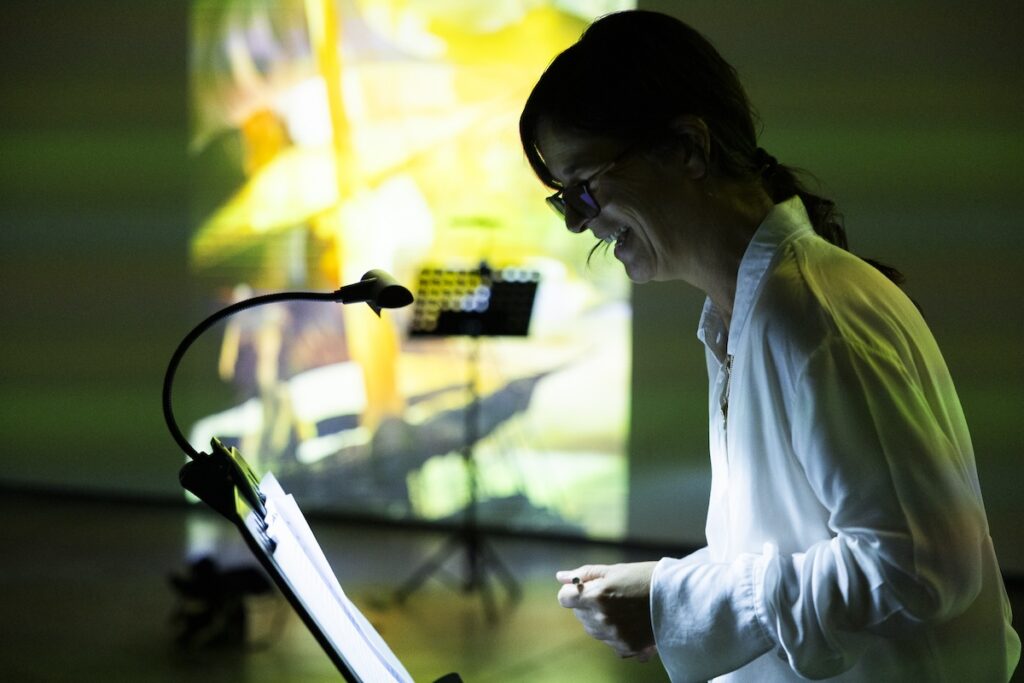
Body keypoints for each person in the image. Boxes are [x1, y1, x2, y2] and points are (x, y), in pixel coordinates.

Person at [519, 10, 1020, 682]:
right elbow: (795, 546)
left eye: (585, 188)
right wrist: (662, 592)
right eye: (565, 202)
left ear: (688, 147)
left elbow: (920, 567)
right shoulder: (743, 313)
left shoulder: (809, 313)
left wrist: (674, 601)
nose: (581, 224)